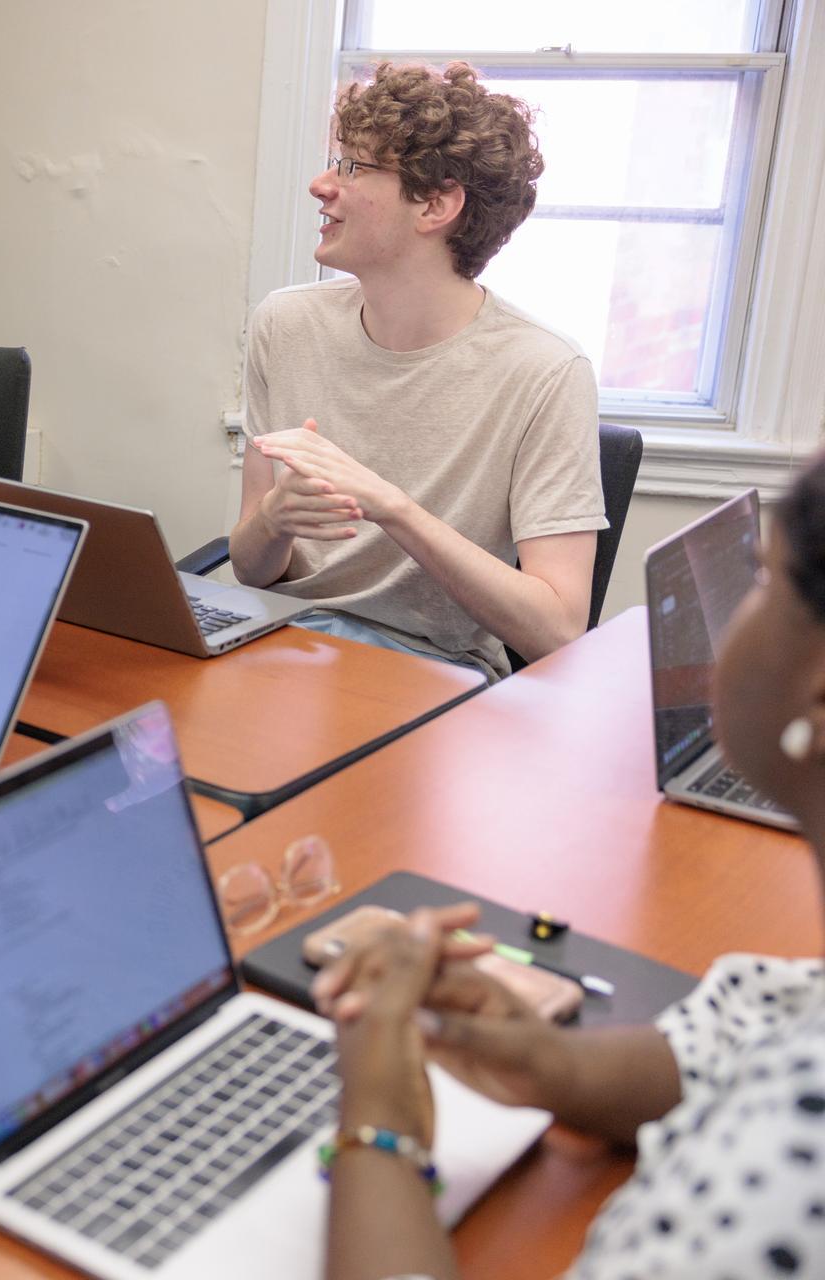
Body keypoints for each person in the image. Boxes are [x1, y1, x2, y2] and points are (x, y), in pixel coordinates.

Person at [313, 447, 825, 1279]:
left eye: (764, 583)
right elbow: (736, 1035)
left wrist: (377, 1121)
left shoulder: (797, 1172)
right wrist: (540, 1060)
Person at [229, 62, 606, 681]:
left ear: (436, 204)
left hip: (433, 668)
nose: (321, 185)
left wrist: (392, 507)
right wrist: (273, 519)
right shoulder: (285, 324)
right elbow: (250, 567)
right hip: (279, 642)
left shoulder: (545, 370)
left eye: (353, 167)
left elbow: (558, 632)